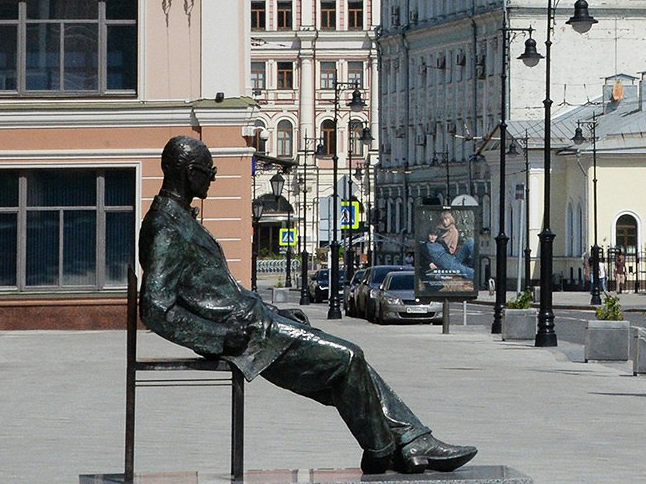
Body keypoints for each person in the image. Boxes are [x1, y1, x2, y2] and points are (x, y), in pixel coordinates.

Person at [139, 135, 476, 476]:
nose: (212, 178)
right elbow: (154, 307)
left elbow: (215, 291)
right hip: (249, 335)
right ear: (189, 172)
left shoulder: (178, 219)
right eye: (208, 171)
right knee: (348, 358)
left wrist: (274, 312)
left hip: (256, 322)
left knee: (344, 369)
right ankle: (390, 448)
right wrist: (218, 339)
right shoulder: (166, 226)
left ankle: (405, 444)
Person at [421, 210, 475, 286]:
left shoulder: (444, 239)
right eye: (431, 235)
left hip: (452, 257)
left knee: (470, 241)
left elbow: (450, 250)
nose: (433, 237)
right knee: (470, 272)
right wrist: (429, 263)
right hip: (446, 262)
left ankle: (475, 262)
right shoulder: (425, 245)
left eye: (435, 235)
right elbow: (422, 256)